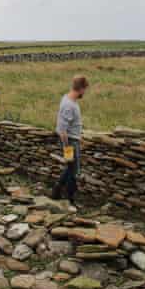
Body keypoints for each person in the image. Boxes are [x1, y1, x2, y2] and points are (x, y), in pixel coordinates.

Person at [53, 75, 89, 205]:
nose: (85, 92)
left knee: (69, 169)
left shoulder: (68, 99)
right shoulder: (69, 105)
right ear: (81, 88)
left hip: (72, 141)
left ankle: (56, 191)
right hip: (70, 142)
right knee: (74, 171)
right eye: (85, 89)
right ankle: (70, 199)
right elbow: (62, 130)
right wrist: (67, 148)